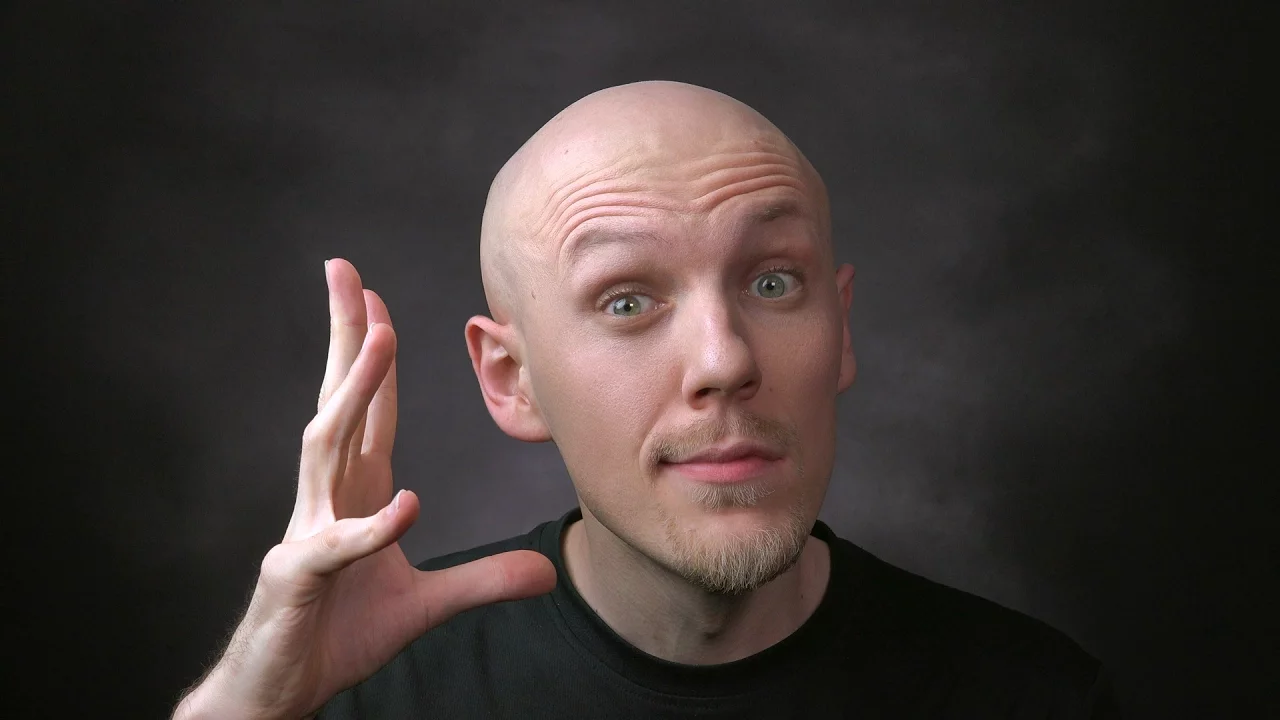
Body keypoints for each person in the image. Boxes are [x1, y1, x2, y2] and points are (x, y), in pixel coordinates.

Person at [173, 80, 1119, 719]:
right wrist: (249, 705)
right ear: (511, 379)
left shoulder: (1032, 695)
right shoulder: (370, 693)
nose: (724, 360)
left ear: (840, 330)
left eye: (773, 283)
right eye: (627, 301)